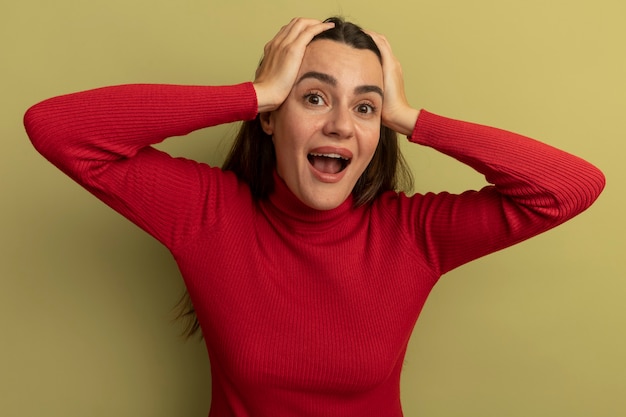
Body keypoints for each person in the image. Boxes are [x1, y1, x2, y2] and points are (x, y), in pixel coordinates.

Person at [24, 16, 604, 417]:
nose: (341, 125)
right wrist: (253, 93)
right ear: (273, 118)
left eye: (365, 107)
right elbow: (58, 129)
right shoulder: (206, 213)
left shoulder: (413, 235)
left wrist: (409, 115)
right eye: (314, 97)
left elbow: (570, 187)